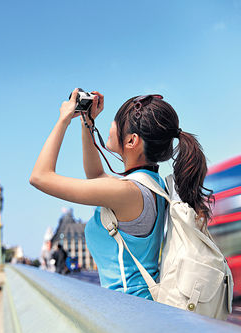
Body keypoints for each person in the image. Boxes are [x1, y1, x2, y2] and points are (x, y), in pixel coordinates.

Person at [29, 89, 212, 299]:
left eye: (116, 122)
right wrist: (86, 123)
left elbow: (39, 177)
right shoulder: (152, 185)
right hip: (141, 307)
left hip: (128, 312)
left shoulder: (128, 192)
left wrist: (63, 119)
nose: (111, 125)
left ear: (132, 141)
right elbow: (96, 175)